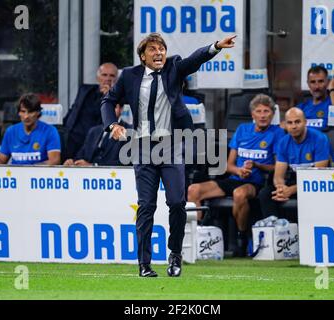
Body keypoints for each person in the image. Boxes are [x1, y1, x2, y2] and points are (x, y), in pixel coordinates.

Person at [101, 32, 237, 277]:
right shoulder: (130, 76)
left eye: (161, 48)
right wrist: (112, 125)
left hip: (171, 146)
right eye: (152, 49)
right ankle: (144, 264)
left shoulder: (174, 67)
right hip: (142, 147)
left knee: (177, 202)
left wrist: (215, 47)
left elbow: (194, 60)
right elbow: (107, 101)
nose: (159, 53)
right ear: (143, 56)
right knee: (146, 206)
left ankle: (175, 254)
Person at [187, 94, 285, 257]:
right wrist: (238, 171)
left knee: (239, 194)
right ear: (252, 114)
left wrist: (256, 165)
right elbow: (228, 165)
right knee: (194, 189)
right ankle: (198, 237)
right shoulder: (242, 130)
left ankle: (241, 240)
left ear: (272, 114)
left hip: (257, 182)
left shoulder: (277, 133)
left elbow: (277, 166)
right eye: (258, 111)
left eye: (266, 111)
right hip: (235, 178)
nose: (262, 115)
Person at [258, 107, 334, 222]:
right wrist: (281, 188)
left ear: (305, 122)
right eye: (290, 123)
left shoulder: (320, 139)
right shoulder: (283, 142)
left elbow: (319, 176)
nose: (294, 126)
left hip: (319, 184)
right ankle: (276, 231)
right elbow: (278, 176)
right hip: (298, 181)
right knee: (265, 194)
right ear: (285, 125)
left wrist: (292, 190)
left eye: (297, 122)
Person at [64, 63, 118, 159]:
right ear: (98, 78)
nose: (108, 78)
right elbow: (74, 109)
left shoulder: (116, 97)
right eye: (104, 75)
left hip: (90, 143)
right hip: (71, 138)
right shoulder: (85, 90)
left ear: (116, 79)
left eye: (112, 75)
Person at [0, 93, 61, 165]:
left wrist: (31, 170)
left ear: (38, 112)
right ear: (18, 113)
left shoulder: (50, 131)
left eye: (30, 112)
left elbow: (54, 161)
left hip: (39, 174)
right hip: (15, 174)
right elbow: (1, 159)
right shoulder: (11, 131)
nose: (26, 116)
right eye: (23, 111)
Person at [63, 104, 131, 167]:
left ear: (121, 109)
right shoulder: (93, 131)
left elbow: (125, 162)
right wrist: (73, 162)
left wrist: (93, 166)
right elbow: (81, 155)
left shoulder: (128, 131)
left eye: (113, 107)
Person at [298, 65, 334, 131]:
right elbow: (288, 124)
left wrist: (332, 89)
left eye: (321, 81)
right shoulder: (302, 107)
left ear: (327, 82)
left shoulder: (333, 103)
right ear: (308, 84)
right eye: (313, 82)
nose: (317, 87)